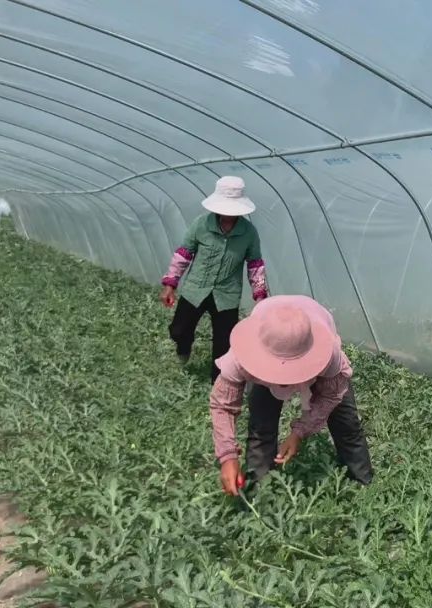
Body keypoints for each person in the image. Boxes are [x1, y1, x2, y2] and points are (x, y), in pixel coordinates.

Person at [208, 294, 374, 496]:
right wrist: (227, 455)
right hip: (266, 349)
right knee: (261, 426)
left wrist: (299, 433)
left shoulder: (328, 354)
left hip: (317, 354)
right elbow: (222, 405)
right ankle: (261, 494)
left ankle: (363, 486)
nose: (284, 379)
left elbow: (330, 396)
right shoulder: (241, 359)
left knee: (346, 423)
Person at [160, 176, 268, 384]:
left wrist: (260, 294)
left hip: (227, 295)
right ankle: (184, 347)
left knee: (224, 344)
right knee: (178, 330)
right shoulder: (201, 224)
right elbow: (184, 253)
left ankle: (217, 383)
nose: (227, 214)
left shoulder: (248, 233)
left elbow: (255, 263)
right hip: (196, 289)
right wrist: (170, 284)